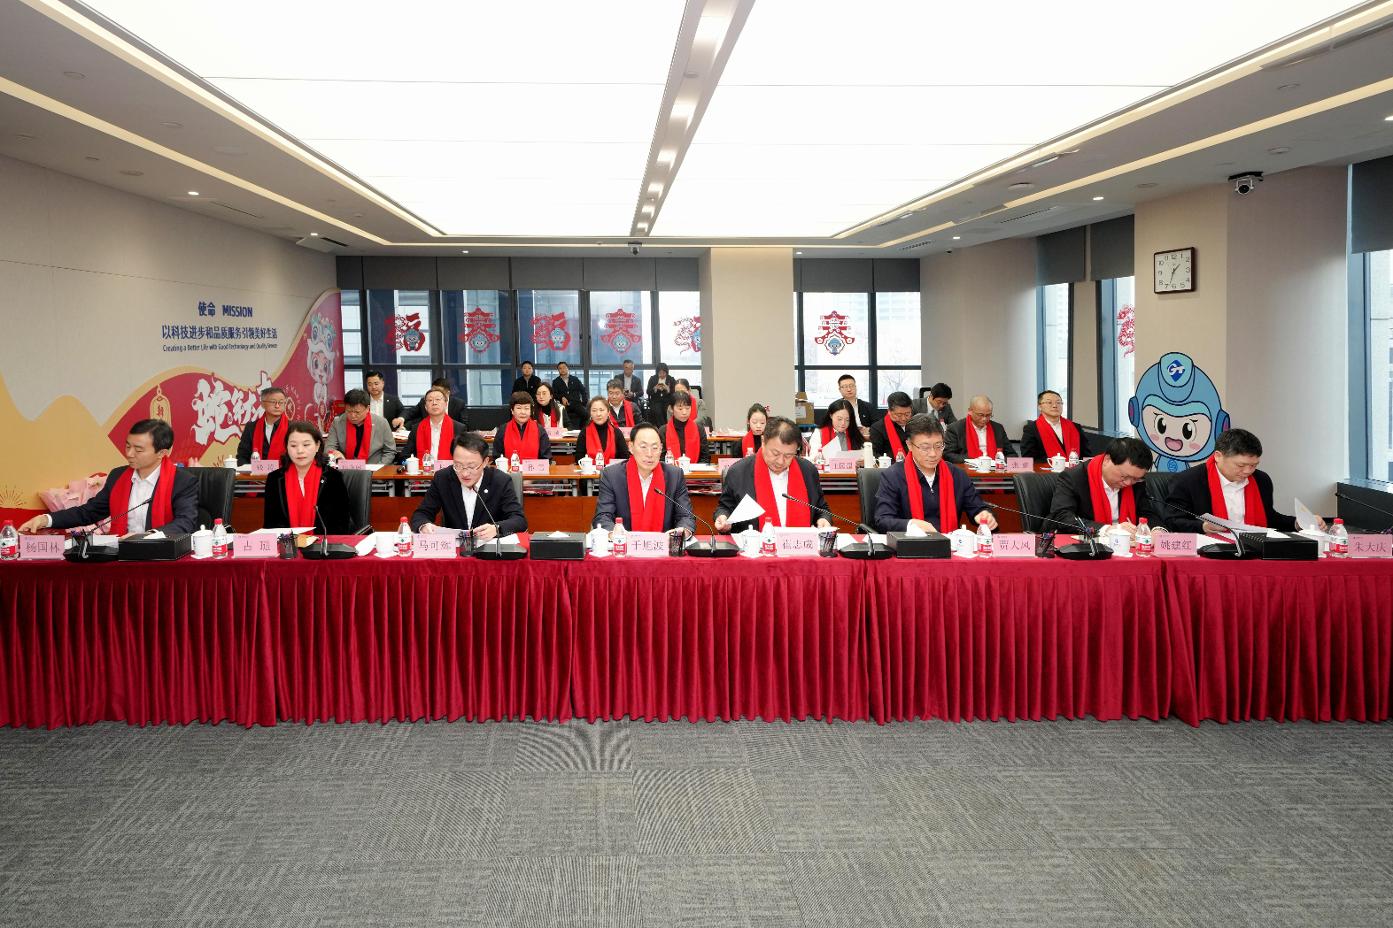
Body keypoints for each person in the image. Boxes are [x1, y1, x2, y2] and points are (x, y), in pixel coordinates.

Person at [19, 419, 197, 536]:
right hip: (121, 557)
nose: (129, 454)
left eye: (138, 449)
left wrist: (147, 537)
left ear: (162, 453)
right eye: (128, 446)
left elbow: (185, 522)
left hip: (163, 558)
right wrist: (46, 519)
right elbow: (89, 512)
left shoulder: (182, 481)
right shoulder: (118, 476)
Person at [1164, 428, 1316, 534]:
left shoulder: (1261, 480)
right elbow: (1173, 520)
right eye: (1241, 465)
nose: (1248, 471)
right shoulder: (1187, 481)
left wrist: (1298, 523)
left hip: (1253, 548)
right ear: (1218, 456)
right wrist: (1202, 526)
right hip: (1209, 551)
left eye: (1254, 465)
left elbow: (1269, 517)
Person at [874, 415, 998, 534]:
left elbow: (977, 507)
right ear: (909, 445)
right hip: (909, 544)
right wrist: (911, 525)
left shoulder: (957, 475)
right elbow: (882, 520)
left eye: (939, 446)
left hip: (950, 544)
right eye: (925, 447)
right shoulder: (893, 476)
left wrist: (984, 514)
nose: (933, 454)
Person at [715, 416, 832, 533]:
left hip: (799, 543)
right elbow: (725, 507)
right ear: (763, 442)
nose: (780, 461)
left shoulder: (808, 471)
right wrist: (723, 518)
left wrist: (823, 518)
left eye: (788, 455)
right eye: (775, 453)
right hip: (753, 543)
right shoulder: (739, 472)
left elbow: (821, 508)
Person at [409, 433, 527, 539]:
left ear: (485, 462)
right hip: (455, 549)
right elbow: (421, 514)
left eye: (471, 467)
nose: (465, 473)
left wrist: (496, 528)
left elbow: (519, 520)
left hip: (489, 549)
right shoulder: (443, 478)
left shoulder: (500, 481)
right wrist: (424, 526)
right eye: (458, 465)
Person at [1048, 437, 1168, 536]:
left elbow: (1146, 512)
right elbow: (1061, 517)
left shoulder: (1137, 483)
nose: (1128, 483)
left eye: (1136, 478)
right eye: (1124, 476)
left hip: (1127, 546)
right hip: (1087, 545)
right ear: (1107, 460)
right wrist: (1109, 530)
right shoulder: (1074, 478)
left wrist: (1157, 530)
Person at [593, 422, 696, 534]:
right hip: (624, 542)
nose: (649, 454)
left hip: (665, 543)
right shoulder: (611, 475)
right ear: (631, 447)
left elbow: (686, 516)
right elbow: (603, 516)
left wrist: (682, 531)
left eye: (655, 448)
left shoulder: (674, 476)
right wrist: (614, 532)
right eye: (643, 447)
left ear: (661, 449)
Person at [263, 420, 355, 534]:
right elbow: (270, 525)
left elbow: (341, 524)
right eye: (293, 445)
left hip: (325, 543)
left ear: (317, 446)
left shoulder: (333, 477)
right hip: (287, 543)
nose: (300, 451)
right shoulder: (274, 479)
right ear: (286, 447)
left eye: (306, 445)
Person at [325, 388, 396, 465]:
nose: (353, 416)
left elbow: (390, 451)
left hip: (374, 467)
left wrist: (379, 467)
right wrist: (337, 458)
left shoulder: (381, 423)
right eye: (349, 411)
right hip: (345, 466)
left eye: (357, 412)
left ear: (367, 408)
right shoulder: (337, 422)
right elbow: (328, 448)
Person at [398, 386, 467, 464]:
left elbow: (464, 457)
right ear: (425, 407)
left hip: (449, 470)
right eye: (430, 400)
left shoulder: (459, 428)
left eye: (438, 399)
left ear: (445, 404)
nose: (434, 403)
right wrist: (411, 464)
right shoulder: (416, 428)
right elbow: (404, 456)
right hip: (422, 470)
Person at [1020, 390, 1088, 462]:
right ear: (1039, 407)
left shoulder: (1075, 427)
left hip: (1076, 468)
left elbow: (1086, 456)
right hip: (1046, 468)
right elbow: (1028, 458)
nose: (1055, 406)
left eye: (1058, 402)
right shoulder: (1031, 429)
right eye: (1049, 402)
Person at [944, 395, 1016, 463]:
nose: (984, 419)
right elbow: (948, 455)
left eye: (988, 415)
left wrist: (1000, 461)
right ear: (970, 411)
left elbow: (1012, 454)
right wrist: (974, 461)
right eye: (980, 415)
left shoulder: (998, 428)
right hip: (968, 468)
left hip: (995, 468)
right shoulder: (956, 428)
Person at [236, 386, 290, 465]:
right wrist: (250, 469)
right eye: (273, 402)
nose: (277, 406)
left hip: (284, 471)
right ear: (262, 404)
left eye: (281, 402)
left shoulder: (292, 427)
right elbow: (242, 456)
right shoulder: (251, 427)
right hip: (255, 472)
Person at [492, 391, 551, 461]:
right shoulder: (503, 430)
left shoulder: (540, 430)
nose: (523, 412)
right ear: (512, 410)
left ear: (531, 411)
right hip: (509, 468)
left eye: (526, 408)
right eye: (519, 408)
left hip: (533, 468)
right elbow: (497, 457)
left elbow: (546, 458)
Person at [576, 395, 631, 462]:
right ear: (590, 413)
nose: (598, 414)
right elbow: (578, 460)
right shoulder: (584, 433)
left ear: (608, 412)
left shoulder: (616, 432)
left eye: (601, 410)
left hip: (613, 468)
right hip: (590, 468)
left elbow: (625, 458)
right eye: (594, 410)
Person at [664, 392, 709, 463]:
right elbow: (661, 459)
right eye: (680, 409)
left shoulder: (699, 429)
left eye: (687, 408)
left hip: (696, 469)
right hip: (671, 469)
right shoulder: (664, 430)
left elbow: (705, 457)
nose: (684, 412)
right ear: (671, 409)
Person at [869, 391, 914, 461]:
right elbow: (874, 454)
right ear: (889, 411)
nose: (903, 418)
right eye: (899, 415)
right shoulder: (878, 428)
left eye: (907, 414)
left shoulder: (916, 424)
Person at [836, 374, 875, 440]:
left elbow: (877, 425)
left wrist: (868, 429)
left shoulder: (868, 406)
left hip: (864, 439)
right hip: (843, 439)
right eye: (845, 387)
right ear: (840, 390)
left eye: (851, 386)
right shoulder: (835, 407)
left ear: (855, 387)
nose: (849, 389)